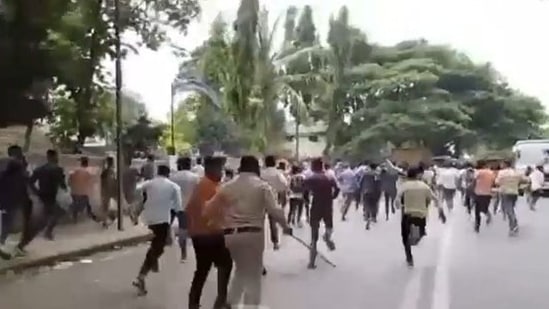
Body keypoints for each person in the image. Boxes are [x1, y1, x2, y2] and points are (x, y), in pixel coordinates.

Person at [204, 155, 291, 308]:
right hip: (253, 235)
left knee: (241, 270)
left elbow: (208, 210)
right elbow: (275, 211)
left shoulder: (227, 186)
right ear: (256, 167)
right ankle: (249, 305)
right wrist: (285, 227)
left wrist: (222, 221)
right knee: (253, 274)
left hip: (230, 235)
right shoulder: (262, 186)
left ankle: (230, 302)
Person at [186, 156, 232, 309]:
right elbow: (207, 211)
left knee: (205, 268)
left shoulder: (210, 185)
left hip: (203, 233)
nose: (222, 172)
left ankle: (195, 301)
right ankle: (220, 300)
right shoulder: (208, 186)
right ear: (211, 169)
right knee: (222, 264)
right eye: (220, 169)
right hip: (210, 234)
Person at [132, 165, 182, 296]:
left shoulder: (148, 184)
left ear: (158, 172)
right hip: (162, 220)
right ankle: (141, 276)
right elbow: (178, 207)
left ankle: (151, 264)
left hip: (148, 219)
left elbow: (137, 190)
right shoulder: (173, 187)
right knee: (158, 247)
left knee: (157, 246)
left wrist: (143, 203)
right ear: (168, 174)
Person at [396, 166, 443, 267]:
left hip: (407, 214)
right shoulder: (424, 186)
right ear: (418, 175)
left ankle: (409, 258)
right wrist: (441, 212)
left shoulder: (405, 186)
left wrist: (399, 206)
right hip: (421, 215)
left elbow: (397, 201)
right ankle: (416, 238)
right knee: (420, 233)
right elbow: (435, 199)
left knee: (405, 237)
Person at [303, 158, 339, 269]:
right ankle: (327, 238)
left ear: (313, 167)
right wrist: (332, 197)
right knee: (329, 227)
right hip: (327, 206)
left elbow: (305, 192)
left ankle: (311, 262)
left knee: (314, 236)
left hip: (316, 205)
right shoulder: (330, 177)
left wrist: (307, 201)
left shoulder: (311, 178)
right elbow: (337, 189)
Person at [0, 145, 30, 257]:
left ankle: (9, 246)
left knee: (9, 224)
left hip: (9, 199)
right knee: (15, 225)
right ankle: (7, 247)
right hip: (12, 200)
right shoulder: (14, 164)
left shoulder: (8, 164)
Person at [169, 156, 199, 262]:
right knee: (183, 230)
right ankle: (183, 253)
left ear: (179, 165)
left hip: (173, 206)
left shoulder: (173, 177)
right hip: (186, 206)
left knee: (166, 226)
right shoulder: (195, 177)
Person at [261, 155, 288, 250]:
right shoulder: (277, 173)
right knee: (273, 223)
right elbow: (284, 185)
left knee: (259, 223)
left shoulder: (261, 173)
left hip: (260, 200)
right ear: (274, 163)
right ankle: (275, 242)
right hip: (273, 199)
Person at [495, 160, 528, 236]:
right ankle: (514, 224)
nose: (501, 165)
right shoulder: (517, 172)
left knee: (509, 210)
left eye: (502, 164)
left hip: (505, 192)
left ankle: (513, 226)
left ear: (505, 164)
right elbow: (526, 180)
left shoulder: (501, 173)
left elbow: (497, 182)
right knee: (511, 209)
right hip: (514, 193)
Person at [69, 156, 98, 223]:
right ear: (86, 163)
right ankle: (91, 216)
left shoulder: (74, 171)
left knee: (76, 205)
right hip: (83, 193)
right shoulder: (87, 172)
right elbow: (92, 182)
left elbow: (70, 181)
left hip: (75, 192)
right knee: (87, 205)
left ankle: (75, 218)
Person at [473, 160, 494, 233]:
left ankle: (477, 225)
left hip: (478, 193)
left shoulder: (477, 172)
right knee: (484, 208)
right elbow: (493, 182)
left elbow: (474, 181)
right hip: (488, 193)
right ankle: (488, 215)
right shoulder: (491, 172)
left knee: (477, 210)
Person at [359, 162, 382, 230]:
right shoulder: (377, 175)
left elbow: (361, 182)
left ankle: (367, 216)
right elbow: (379, 184)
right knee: (374, 205)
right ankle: (373, 217)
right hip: (375, 191)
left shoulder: (365, 174)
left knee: (366, 204)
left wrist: (361, 190)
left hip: (366, 191)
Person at [100, 156, 117, 227]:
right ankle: (106, 222)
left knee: (106, 208)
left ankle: (106, 221)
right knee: (109, 207)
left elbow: (103, 182)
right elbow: (110, 182)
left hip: (105, 191)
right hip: (109, 191)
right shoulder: (110, 171)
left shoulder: (105, 171)